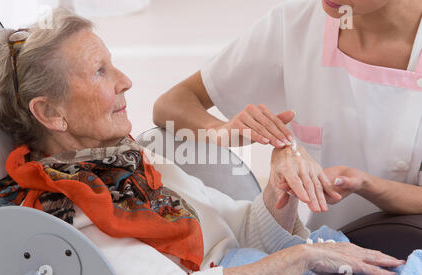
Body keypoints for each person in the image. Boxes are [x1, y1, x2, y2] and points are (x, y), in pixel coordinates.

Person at [0, 8, 405, 275]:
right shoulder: (65, 208)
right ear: (50, 113)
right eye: (100, 72)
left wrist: (280, 190)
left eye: (114, 64)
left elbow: (240, 230)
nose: (125, 81)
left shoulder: (129, 164)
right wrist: (301, 258)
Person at [153, 0, 422, 231]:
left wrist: (368, 185)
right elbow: (171, 104)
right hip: (331, 254)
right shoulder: (297, 23)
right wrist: (221, 132)